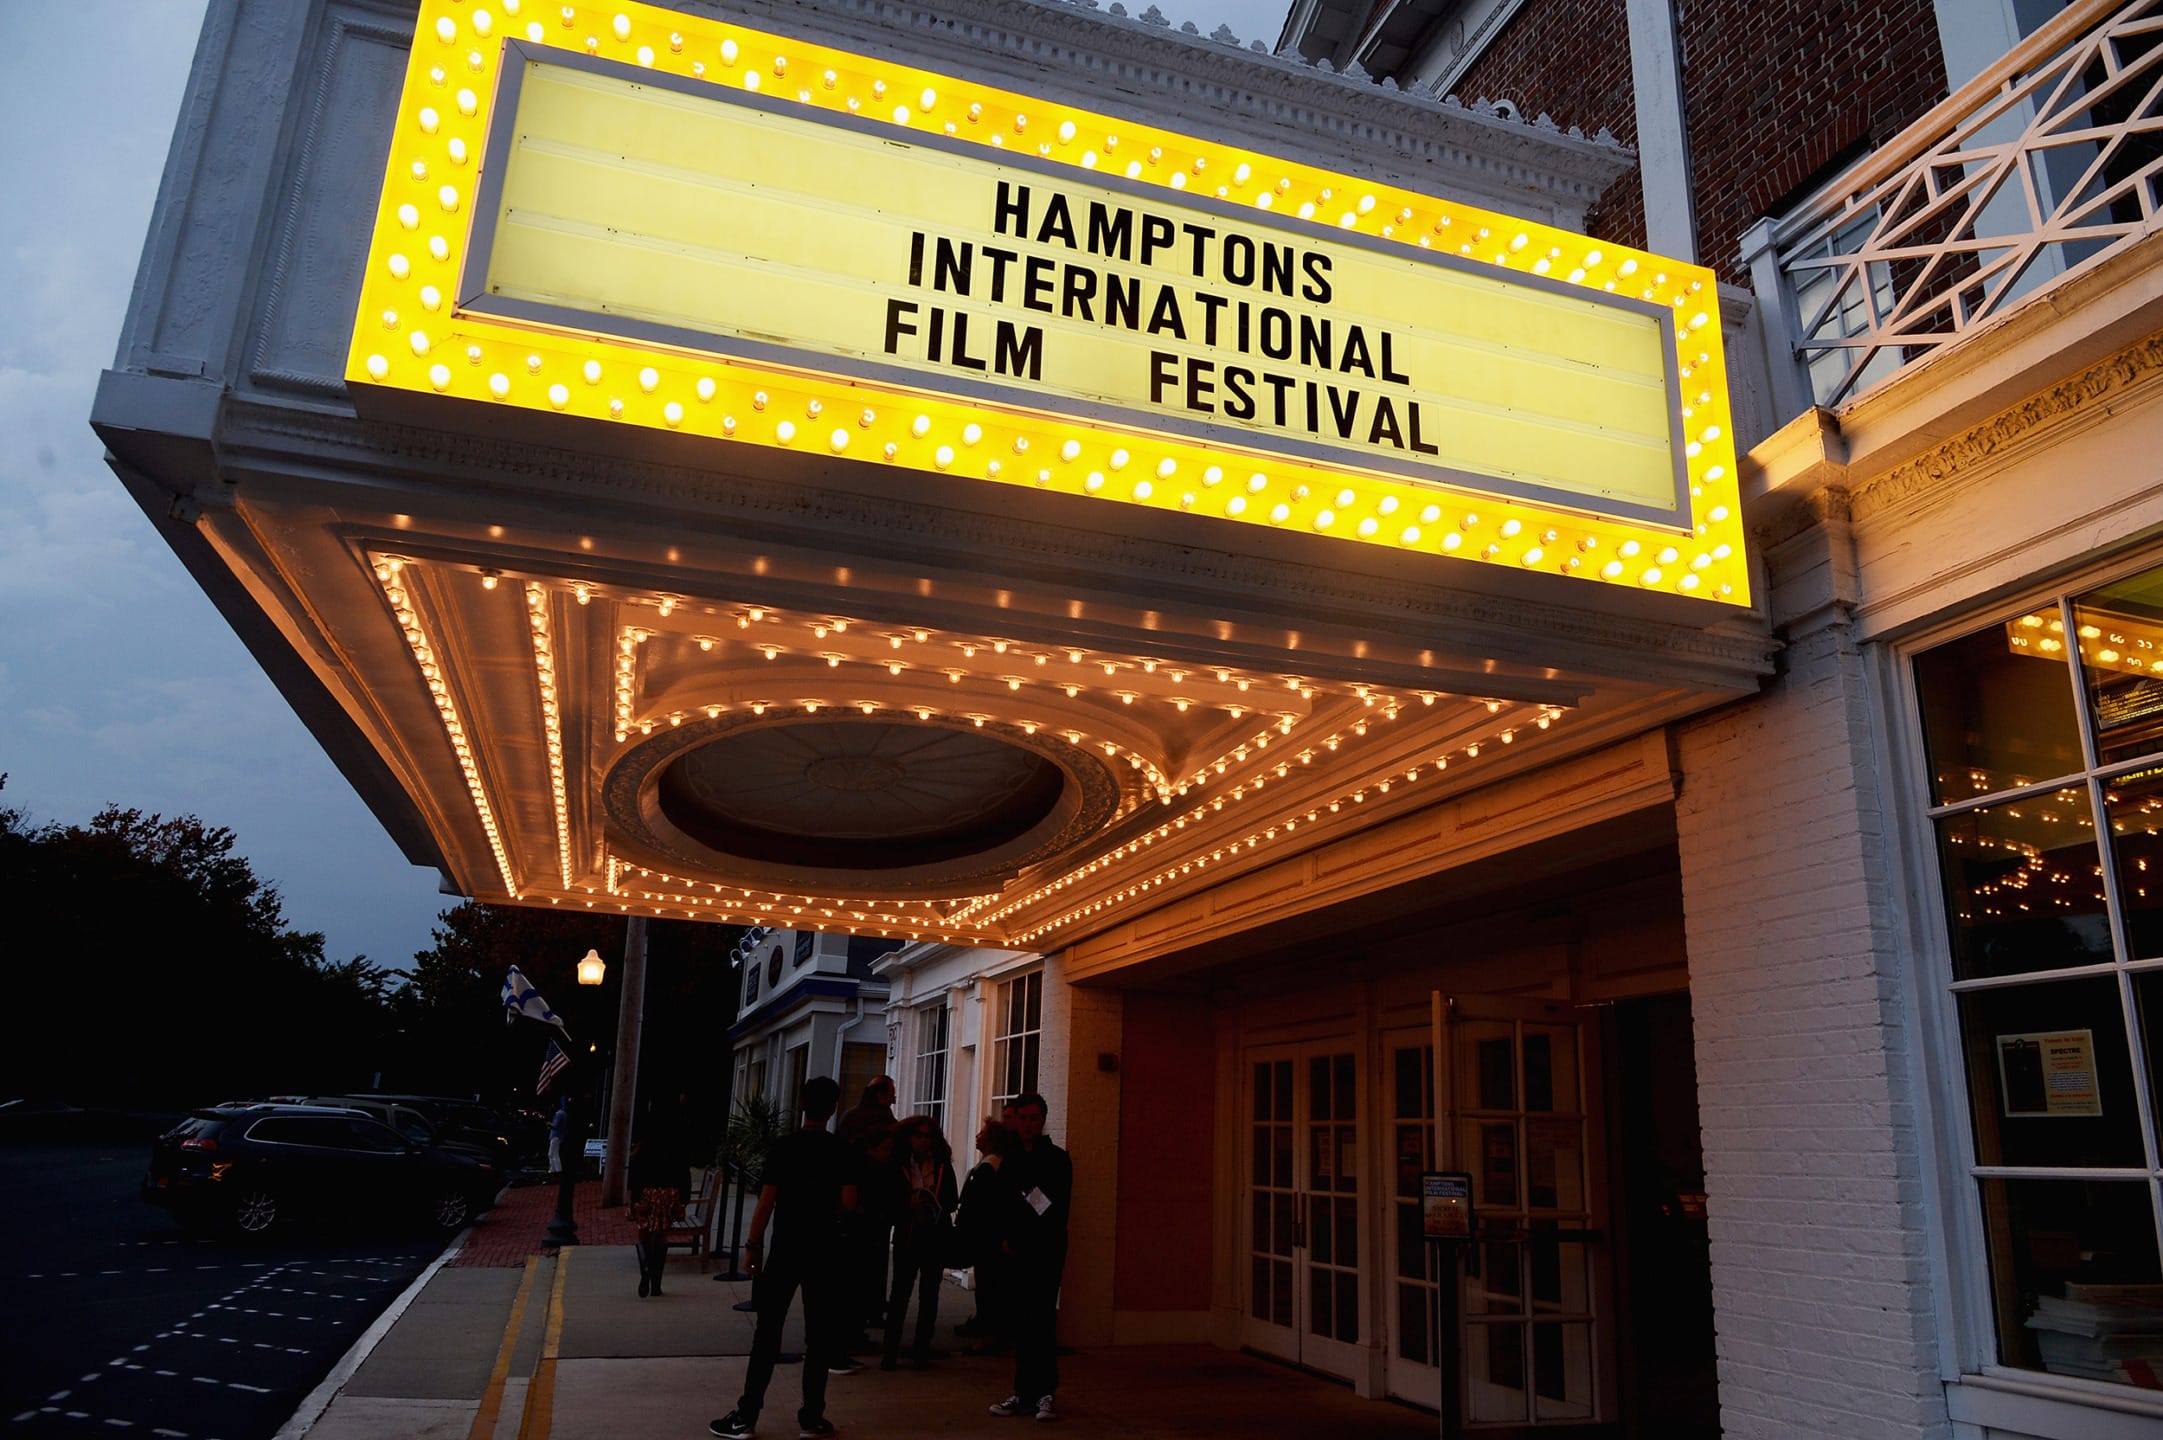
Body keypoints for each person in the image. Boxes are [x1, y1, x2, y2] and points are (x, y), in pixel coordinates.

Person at [710, 1076, 854, 1440]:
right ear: (833, 1107)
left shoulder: (784, 1148)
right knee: (819, 1335)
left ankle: (746, 1415)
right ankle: (812, 1417)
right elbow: (849, 1204)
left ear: (802, 1104)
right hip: (826, 1250)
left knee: (768, 1332)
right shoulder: (841, 1150)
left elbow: (766, 1204)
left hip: (787, 1247)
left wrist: (752, 1246)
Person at [988, 1092, 1071, 1424]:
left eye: (1033, 1118)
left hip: (1046, 1250)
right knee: (1021, 1323)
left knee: (1042, 1322)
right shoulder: (1009, 1159)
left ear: (1043, 1120)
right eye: (1022, 1118)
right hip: (1016, 1251)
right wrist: (1007, 1235)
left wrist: (1024, 1196)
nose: (1027, 1124)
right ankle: (1023, 1392)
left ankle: (1045, 1393)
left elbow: (1053, 1206)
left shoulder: (1057, 1159)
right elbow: (1003, 1204)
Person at [881, 1115, 958, 1370]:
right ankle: (889, 1352)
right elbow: (888, 1201)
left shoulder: (943, 1164)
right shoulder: (897, 1164)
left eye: (928, 1136)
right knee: (900, 1293)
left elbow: (951, 1199)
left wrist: (936, 1202)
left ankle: (921, 1350)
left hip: (934, 1236)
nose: (923, 1141)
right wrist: (907, 1204)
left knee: (929, 1295)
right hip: (908, 1234)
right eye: (919, 1136)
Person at [957, 1103, 1018, 1353]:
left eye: (982, 1133)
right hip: (990, 1234)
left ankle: (990, 1327)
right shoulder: (993, 1165)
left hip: (986, 1235)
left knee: (989, 1282)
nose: (977, 1136)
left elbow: (981, 1204)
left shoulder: (989, 1168)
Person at [837, 1123, 897, 1365]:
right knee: (857, 1285)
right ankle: (850, 1334)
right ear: (871, 1148)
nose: (888, 1153)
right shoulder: (864, 1168)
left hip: (868, 1231)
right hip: (861, 1233)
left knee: (860, 1285)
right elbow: (852, 1202)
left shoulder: (871, 1166)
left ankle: (854, 1332)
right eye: (884, 1149)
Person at [627, 1097, 689, 1298]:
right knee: (662, 1235)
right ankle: (656, 1283)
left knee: (643, 1232)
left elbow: (636, 1168)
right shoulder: (677, 1134)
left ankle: (645, 1266)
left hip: (647, 1191)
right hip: (669, 1191)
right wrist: (683, 1197)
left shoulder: (646, 1136)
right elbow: (683, 1167)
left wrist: (634, 1197)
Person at [546, 1094, 569, 1175]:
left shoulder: (558, 1114)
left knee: (553, 1153)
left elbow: (556, 1125)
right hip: (559, 1136)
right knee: (552, 1153)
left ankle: (557, 1170)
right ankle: (552, 1170)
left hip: (556, 1136)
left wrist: (549, 1124)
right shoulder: (564, 1113)